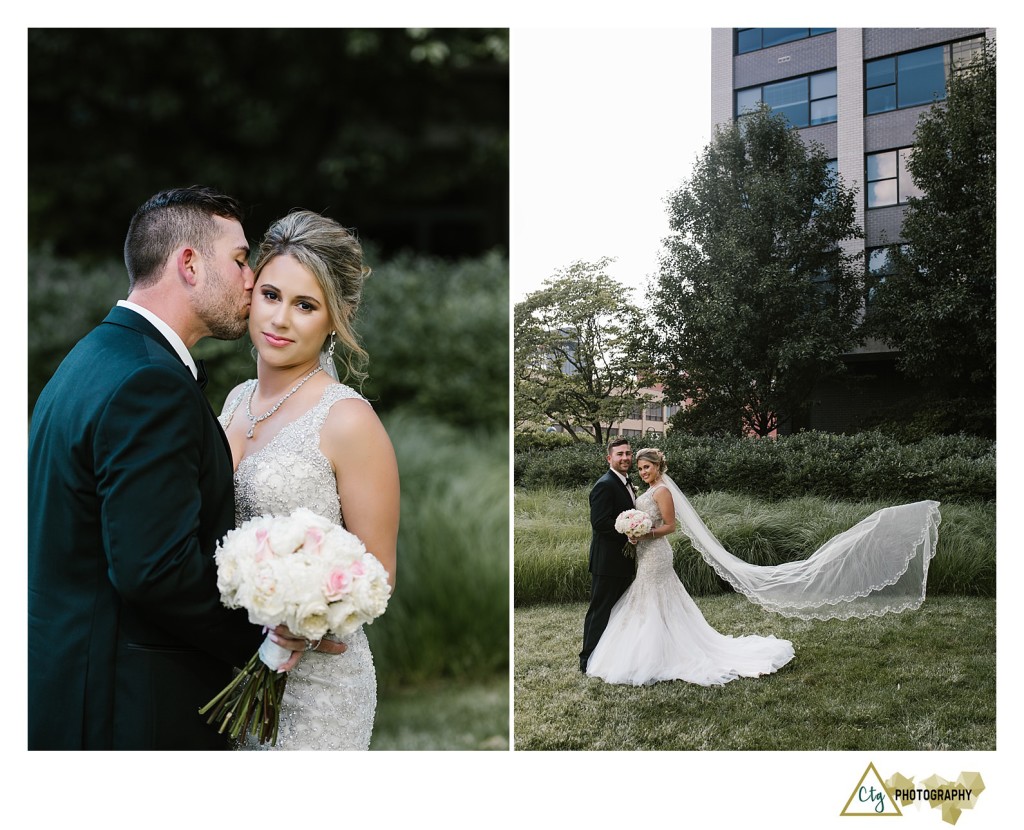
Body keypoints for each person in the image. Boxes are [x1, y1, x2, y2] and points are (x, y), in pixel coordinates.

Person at [27, 186, 323, 750]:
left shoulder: (89, 357)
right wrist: (264, 634)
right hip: (128, 708)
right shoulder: (149, 384)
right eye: (239, 260)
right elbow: (153, 568)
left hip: (68, 685)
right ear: (188, 264)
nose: (251, 279)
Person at [218, 209, 400, 751]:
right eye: (271, 295)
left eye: (305, 306)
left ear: (333, 318)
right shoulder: (235, 401)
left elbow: (379, 571)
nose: (279, 320)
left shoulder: (348, 420)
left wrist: (301, 620)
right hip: (237, 664)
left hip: (321, 687)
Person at [586, 448, 941, 686]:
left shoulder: (662, 491)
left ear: (658, 467)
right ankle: (652, 648)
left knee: (654, 599)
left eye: (647, 466)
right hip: (646, 552)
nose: (643, 470)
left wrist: (644, 531)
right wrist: (635, 533)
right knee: (650, 602)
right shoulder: (643, 488)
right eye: (640, 466)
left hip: (656, 552)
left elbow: (670, 527)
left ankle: (657, 653)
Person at [579, 438, 637, 673]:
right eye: (620, 454)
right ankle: (587, 659)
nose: (625, 458)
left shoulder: (626, 482)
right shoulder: (605, 484)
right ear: (609, 458)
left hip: (624, 560)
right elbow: (600, 523)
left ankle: (610, 656)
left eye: (628, 453)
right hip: (607, 561)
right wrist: (629, 533)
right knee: (600, 610)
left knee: (619, 610)